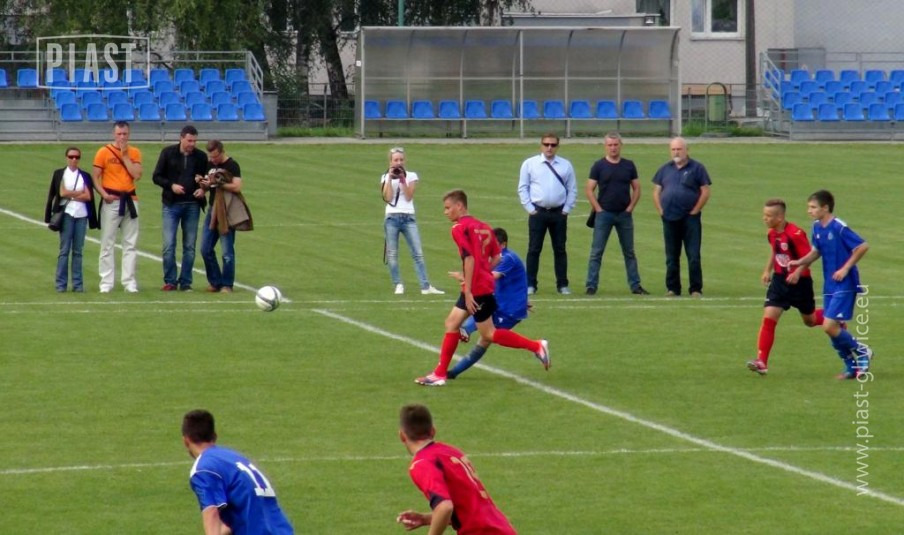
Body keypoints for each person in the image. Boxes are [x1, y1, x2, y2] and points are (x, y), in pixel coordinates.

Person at [415, 190, 548, 387]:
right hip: (480, 285)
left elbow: (468, 258)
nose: (445, 212)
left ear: (459, 206)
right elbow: (497, 257)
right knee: (452, 323)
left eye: (448, 208)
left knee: (489, 334)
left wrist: (469, 289)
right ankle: (440, 373)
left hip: (476, 289)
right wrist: (483, 273)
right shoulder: (484, 227)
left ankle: (536, 345)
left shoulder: (459, 228)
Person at [396, 404, 517, 534]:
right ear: (433, 431)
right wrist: (426, 519)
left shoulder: (422, 464)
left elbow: (445, 507)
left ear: (402, 435)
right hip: (499, 528)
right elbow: (466, 507)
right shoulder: (450, 452)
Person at [789, 190, 872, 379]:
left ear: (825, 208)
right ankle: (850, 367)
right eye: (809, 207)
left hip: (845, 283)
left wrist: (845, 268)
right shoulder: (817, 227)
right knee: (833, 328)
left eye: (813, 207)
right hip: (829, 285)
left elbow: (862, 246)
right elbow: (816, 252)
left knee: (828, 326)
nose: (809, 211)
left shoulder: (838, 227)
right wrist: (800, 263)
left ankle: (862, 351)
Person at [182, 409, 294, 534]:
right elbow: (234, 522)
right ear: (214, 436)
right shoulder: (234, 459)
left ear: (186, 440)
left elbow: (211, 512)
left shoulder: (203, 469)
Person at [746, 199, 826, 375]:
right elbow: (775, 250)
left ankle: (833, 318)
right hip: (779, 281)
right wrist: (767, 270)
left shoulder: (795, 234)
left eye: (768, 216)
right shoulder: (772, 233)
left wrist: (797, 272)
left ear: (780, 217)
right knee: (769, 317)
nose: (764, 218)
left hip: (800, 283)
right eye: (764, 215)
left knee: (810, 321)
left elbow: (809, 257)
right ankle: (762, 362)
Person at [448, 227, 529, 379]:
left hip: (509, 310)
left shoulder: (507, 258)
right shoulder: (496, 258)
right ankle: (453, 372)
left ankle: (537, 346)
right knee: (485, 337)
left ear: (503, 244)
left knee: (487, 336)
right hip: (502, 304)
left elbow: (490, 277)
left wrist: (464, 277)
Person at [584, 132, 649, 296]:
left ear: (620, 145)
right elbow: (589, 189)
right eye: (610, 145)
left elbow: (637, 188)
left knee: (629, 252)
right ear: (605, 146)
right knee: (597, 252)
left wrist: (630, 208)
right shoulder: (598, 166)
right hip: (604, 214)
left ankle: (635, 285)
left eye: (615, 145)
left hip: (624, 215)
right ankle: (591, 285)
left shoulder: (629, 165)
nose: (613, 148)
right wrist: (598, 209)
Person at [517, 133, 577, 295]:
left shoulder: (565, 165)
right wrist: (530, 209)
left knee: (560, 249)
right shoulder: (530, 164)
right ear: (541, 145)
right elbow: (523, 188)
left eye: (553, 145)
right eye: (546, 144)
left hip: (558, 213)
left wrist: (566, 210)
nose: (549, 148)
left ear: (557, 146)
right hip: (538, 212)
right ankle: (530, 284)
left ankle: (562, 285)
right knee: (534, 249)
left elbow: (572, 189)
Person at [651, 137, 711, 297]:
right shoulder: (664, 169)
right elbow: (656, 191)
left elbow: (705, 191)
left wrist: (695, 210)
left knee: (693, 255)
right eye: (673, 149)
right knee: (671, 256)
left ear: (686, 150)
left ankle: (695, 289)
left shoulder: (697, 168)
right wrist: (661, 210)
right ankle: (673, 288)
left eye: (679, 149)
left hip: (690, 218)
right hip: (669, 217)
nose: (676, 152)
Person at [380, 146, 444, 295]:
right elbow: (388, 198)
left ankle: (425, 286)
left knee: (417, 253)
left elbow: (409, 196)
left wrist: (402, 179)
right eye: (396, 160)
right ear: (390, 161)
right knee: (392, 254)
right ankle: (398, 284)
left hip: (409, 217)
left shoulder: (411, 176)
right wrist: (389, 178)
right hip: (391, 218)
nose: (399, 163)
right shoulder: (385, 177)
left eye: (401, 160)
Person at [152, 125, 208, 292]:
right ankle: (170, 281)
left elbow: (207, 179)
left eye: (194, 141)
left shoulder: (201, 157)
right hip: (171, 204)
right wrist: (171, 186)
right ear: (181, 138)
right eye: (189, 140)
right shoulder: (168, 153)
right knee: (169, 245)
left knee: (189, 246)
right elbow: (156, 176)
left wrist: (203, 189)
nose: (192, 144)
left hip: (192, 205)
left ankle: (185, 282)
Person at [92, 121, 142, 293]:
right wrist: (103, 194)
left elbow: (137, 175)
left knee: (130, 243)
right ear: (114, 134)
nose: (122, 137)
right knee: (107, 242)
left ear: (129, 134)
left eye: (125, 134)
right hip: (112, 199)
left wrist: (125, 156)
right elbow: (95, 177)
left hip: (130, 199)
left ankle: (129, 282)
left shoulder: (134, 152)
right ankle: (106, 282)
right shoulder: (103, 152)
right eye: (119, 134)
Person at [45, 147, 98, 292]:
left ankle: (78, 285)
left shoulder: (84, 175)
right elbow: (60, 193)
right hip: (67, 214)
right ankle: (61, 285)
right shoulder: (59, 173)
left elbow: (88, 196)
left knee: (78, 251)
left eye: (77, 157)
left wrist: (71, 194)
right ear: (66, 157)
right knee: (64, 250)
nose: (74, 159)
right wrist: (78, 193)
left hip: (81, 215)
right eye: (71, 156)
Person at [199, 140, 241, 293]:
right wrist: (202, 185)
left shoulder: (232, 165)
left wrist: (219, 184)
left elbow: (237, 186)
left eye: (215, 156)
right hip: (212, 209)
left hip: (226, 210)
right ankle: (215, 281)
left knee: (227, 251)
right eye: (210, 156)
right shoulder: (210, 164)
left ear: (222, 152)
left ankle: (227, 284)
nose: (213, 159)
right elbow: (208, 184)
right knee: (205, 248)